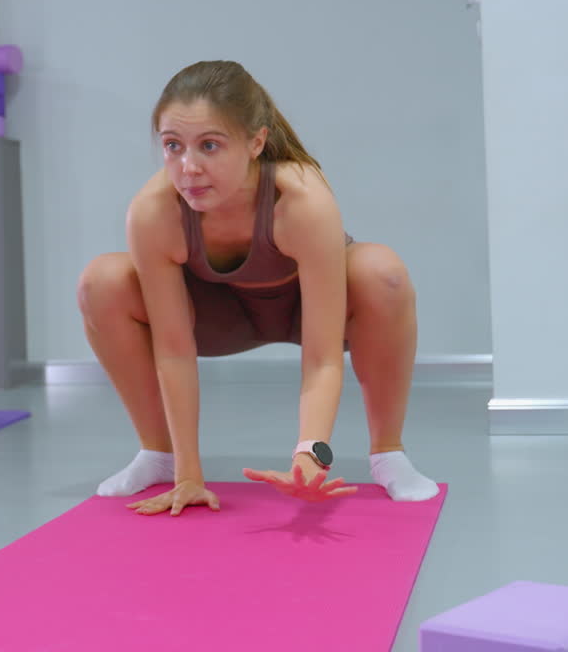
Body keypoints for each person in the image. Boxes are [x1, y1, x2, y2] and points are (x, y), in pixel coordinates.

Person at [77, 60, 440, 516]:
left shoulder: (300, 200)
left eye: (210, 145)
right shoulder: (155, 211)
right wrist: (189, 474)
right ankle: (159, 456)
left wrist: (311, 454)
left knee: (381, 271)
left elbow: (324, 356)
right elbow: (172, 349)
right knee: (102, 281)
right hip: (217, 318)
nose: (188, 167)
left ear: (256, 142)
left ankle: (390, 455)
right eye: (173, 146)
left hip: (305, 312)